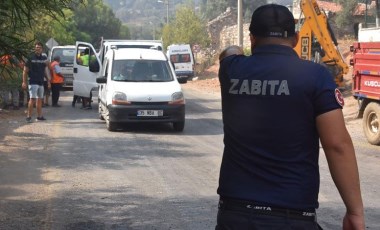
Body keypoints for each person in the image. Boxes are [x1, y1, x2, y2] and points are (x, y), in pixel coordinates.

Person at [216, 4, 365, 230]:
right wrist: (355, 212)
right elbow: (337, 145)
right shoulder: (315, 76)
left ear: (252, 38)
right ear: (296, 39)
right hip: (292, 217)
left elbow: (229, 52)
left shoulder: (231, 70)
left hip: (234, 215)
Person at [22, 41, 50, 122]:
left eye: (39, 47)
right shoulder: (30, 58)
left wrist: (48, 80)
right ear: (35, 48)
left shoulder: (44, 58)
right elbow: (25, 71)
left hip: (41, 81)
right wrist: (24, 82)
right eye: (36, 47)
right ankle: (29, 117)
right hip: (33, 81)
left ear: (42, 49)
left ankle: (39, 116)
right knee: (32, 99)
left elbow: (45, 70)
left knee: (40, 100)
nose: (38, 49)